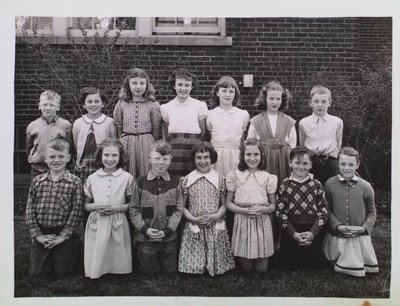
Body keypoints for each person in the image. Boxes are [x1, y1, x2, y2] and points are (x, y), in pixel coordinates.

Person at [25, 136, 83, 276]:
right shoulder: (37, 181)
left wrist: (62, 237)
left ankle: (73, 246)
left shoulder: (75, 182)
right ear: (45, 159)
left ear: (68, 158)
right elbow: (29, 210)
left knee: (64, 272)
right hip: (42, 231)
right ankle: (42, 250)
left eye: (61, 156)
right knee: (37, 273)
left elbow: (76, 211)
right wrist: (38, 235)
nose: (56, 160)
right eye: (52, 156)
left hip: (64, 232)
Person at [178, 142, 235, 276]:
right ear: (194, 159)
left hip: (214, 223)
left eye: (206, 157)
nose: (203, 161)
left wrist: (215, 216)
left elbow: (224, 204)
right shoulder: (187, 180)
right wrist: (192, 219)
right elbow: (182, 206)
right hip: (195, 223)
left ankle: (216, 264)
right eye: (199, 157)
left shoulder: (220, 179)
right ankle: (194, 266)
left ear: (212, 159)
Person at [129, 140, 183, 275]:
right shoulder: (140, 182)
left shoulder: (176, 183)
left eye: (165, 159)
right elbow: (134, 209)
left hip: (169, 237)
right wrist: (144, 229)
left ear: (171, 160)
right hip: (146, 237)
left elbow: (178, 209)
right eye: (157, 158)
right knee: (150, 273)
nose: (161, 162)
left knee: (170, 272)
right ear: (149, 159)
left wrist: (168, 230)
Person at [323, 147, 379, 277]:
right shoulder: (330, 184)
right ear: (337, 164)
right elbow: (327, 209)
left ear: (357, 165)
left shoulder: (366, 186)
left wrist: (363, 229)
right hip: (338, 234)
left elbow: (372, 212)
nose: (346, 168)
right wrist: (338, 226)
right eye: (342, 164)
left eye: (351, 164)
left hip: (358, 234)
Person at [84, 138, 133, 279]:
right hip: (97, 220)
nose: (110, 159)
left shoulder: (126, 178)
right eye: (106, 155)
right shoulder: (92, 178)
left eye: (114, 155)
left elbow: (132, 205)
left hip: (118, 219)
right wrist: (96, 206)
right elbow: (86, 205)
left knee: (117, 246)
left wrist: (117, 208)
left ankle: (119, 270)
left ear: (121, 157)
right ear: (100, 156)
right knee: (98, 246)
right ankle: (98, 269)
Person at [225, 138, 277, 273]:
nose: (252, 158)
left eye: (256, 154)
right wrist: (244, 211)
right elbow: (228, 203)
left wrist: (264, 209)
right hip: (243, 221)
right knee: (247, 269)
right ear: (242, 156)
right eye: (248, 154)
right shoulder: (235, 176)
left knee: (261, 270)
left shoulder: (268, 177)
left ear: (261, 155)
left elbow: (273, 206)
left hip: (261, 222)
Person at [275, 146, 328, 268]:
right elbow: (280, 212)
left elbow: (323, 211)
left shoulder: (316, 185)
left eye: (305, 163)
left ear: (310, 165)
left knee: (313, 264)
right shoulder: (284, 185)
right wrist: (293, 234)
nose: (301, 166)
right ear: (290, 163)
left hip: (311, 229)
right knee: (289, 264)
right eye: (297, 162)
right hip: (291, 230)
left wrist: (313, 233)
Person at [114, 68, 161, 178]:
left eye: (142, 83)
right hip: (127, 142)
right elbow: (119, 126)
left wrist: (151, 143)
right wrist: (122, 141)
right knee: (127, 171)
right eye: (134, 83)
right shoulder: (122, 104)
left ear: (147, 85)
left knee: (146, 171)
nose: (138, 87)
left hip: (146, 142)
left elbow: (155, 128)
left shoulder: (152, 104)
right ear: (128, 84)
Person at [160, 68, 208, 176]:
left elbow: (203, 132)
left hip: (194, 145)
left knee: (194, 176)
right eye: (180, 85)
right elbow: (166, 133)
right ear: (174, 86)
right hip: (174, 146)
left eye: (187, 85)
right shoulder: (167, 107)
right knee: (175, 178)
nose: (183, 88)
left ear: (191, 87)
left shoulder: (199, 106)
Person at [247, 81, 296, 184]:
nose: (275, 102)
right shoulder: (256, 121)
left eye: (278, 99)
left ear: (282, 100)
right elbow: (249, 145)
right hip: (263, 163)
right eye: (271, 98)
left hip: (284, 164)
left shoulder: (289, 122)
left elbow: (292, 147)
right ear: (265, 99)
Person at [299, 85, 343, 185]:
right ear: (310, 103)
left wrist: (332, 158)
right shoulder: (303, 123)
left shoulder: (337, 122)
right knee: (311, 189)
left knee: (330, 190)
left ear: (330, 103)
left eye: (324, 101)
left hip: (330, 163)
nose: (320, 105)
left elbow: (338, 144)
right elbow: (302, 146)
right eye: (316, 101)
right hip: (311, 162)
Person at [207, 76, 250, 176]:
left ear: (235, 94)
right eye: (224, 91)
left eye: (231, 91)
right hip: (216, 157)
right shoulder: (210, 115)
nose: (227, 94)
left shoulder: (242, 115)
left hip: (235, 157)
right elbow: (209, 137)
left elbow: (242, 138)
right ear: (217, 93)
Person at [73, 86, 116, 183]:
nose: (93, 105)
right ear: (84, 105)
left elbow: (114, 143)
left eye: (97, 101)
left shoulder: (109, 122)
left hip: (103, 164)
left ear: (103, 104)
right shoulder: (78, 123)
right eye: (89, 102)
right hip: (84, 164)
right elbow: (76, 145)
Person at [26, 90, 72, 179]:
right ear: (39, 106)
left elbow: (69, 148)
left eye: (51, 105)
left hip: (58, 166)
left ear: (58, 107)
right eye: (45, 104)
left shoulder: (65, 125)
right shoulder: (32, 126)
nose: (48, 108)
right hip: (38, 168)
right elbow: (29, 146)